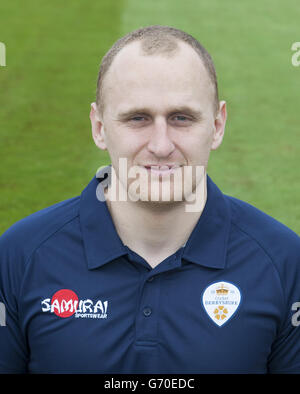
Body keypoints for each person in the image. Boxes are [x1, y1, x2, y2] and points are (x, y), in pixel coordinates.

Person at [0, 25, 300, 374]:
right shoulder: (20, 256)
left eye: (181, 118)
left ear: (217, 125)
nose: (161, 146)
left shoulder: (284, 261)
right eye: (138, 118)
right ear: (99, 127)